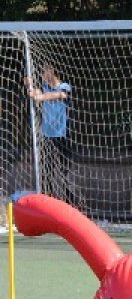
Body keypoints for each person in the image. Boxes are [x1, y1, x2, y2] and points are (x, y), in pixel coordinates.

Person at [24, 65, 73, 202]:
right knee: (47, 172)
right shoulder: (44, 87)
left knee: (65, 173)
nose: (42, 75)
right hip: (47, 136)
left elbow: (60, 95)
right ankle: (48, 200)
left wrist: (41, 97)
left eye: (44, 72)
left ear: (51, 72)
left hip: (63, 135)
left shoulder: (65, 86)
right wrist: (29, 85)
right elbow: (34, 93)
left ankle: (70, 202)